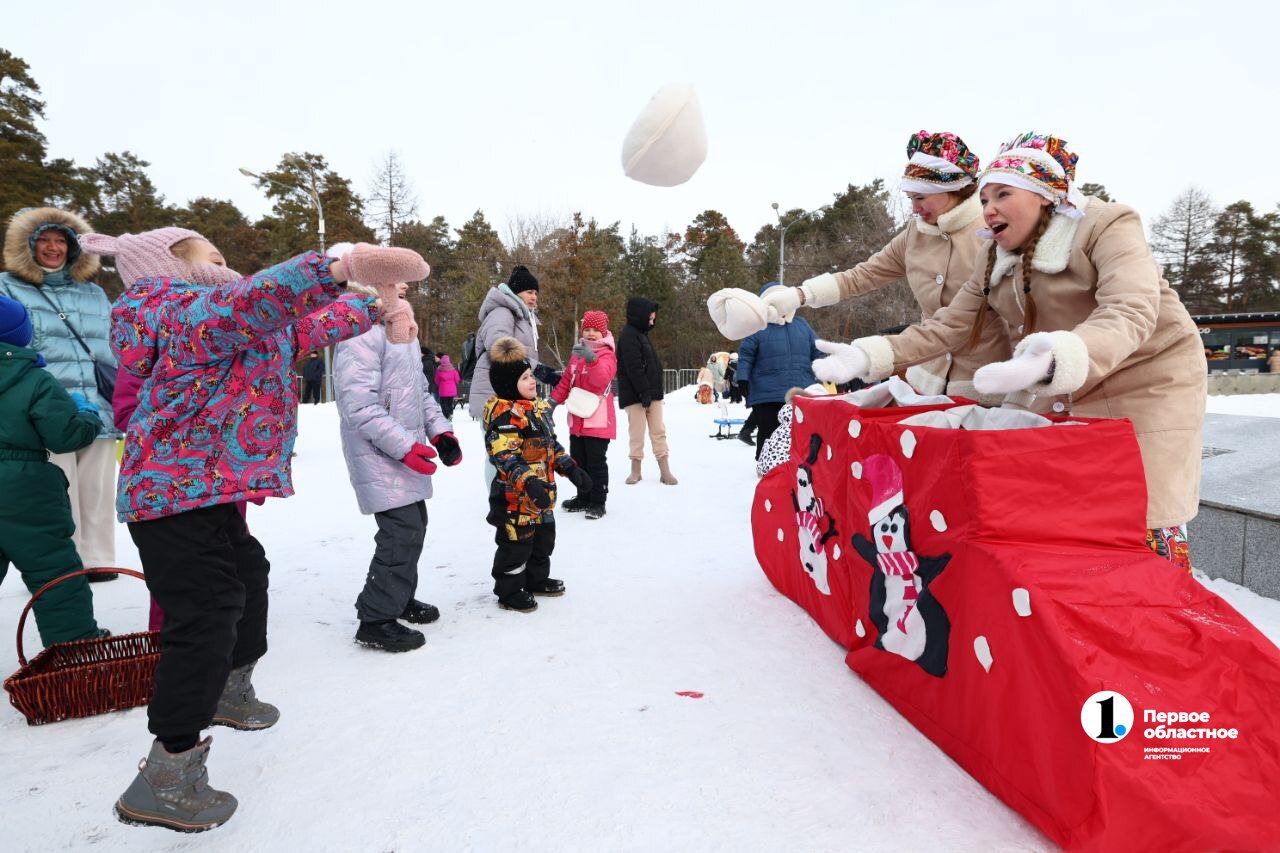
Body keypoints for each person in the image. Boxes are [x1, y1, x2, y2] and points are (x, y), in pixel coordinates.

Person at [87, 226, 427, 832]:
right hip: (167, 493)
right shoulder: (170, 310)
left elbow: (297, 329)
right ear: (164, 265)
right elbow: (252, 304)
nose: (225, 265)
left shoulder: (223, 317)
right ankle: (166, 771)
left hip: (203, 488)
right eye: (210, 257)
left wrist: (371, 304)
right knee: (207, 610)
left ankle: (229, 688)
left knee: (250, 575)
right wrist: (336, 266)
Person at [811, 132, 1207, 569]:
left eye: (1003, 194)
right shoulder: (993, 252)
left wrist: (1060, 356)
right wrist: (873, 355)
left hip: (1147, 375)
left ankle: (1165, 605)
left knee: (1140, 508)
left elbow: (1130, 309)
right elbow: (949, 325)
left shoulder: (1107, 224)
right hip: (1057, 371)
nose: (989, 208)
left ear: (1045, 195)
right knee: (1068, 506)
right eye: (983, 198)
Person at [761, 131, 1010, 402]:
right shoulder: (914, 235)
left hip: (984, 385)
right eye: (910, 199)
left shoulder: (994, 233)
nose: (915, 209)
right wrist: (799, 295)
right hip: (926, 382)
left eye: (921, 198)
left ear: (951, 188)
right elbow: (863, 275)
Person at [335, 281, 462, 653]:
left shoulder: (401, 334)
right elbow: (358, 407)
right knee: (401, 532)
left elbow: (420, 393)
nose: (405, 296)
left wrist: (441, 433)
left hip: (406, 452)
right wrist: (405, 446)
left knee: (415, 525)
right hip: (378, 451)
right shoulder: (359, 335)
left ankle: (399, 598)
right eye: (397, 290)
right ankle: (375, 619)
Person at [1, 207, 123, 583]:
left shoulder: (94, 292)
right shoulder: (8, 287)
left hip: (97, 403)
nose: (53, 247)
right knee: (57, 488)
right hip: (42, 403)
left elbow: (112, 346)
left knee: (98, 486)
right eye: (44, 240)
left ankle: (98, 559)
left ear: (74, 249)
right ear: (28, 245)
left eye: (61, 241)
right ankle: (63, 563)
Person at [0, 295, 107, 645]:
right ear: (20, 335)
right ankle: (75, 651)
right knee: (53, 571)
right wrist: (87, 414)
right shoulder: (35, 381)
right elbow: (66, 436)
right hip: (25, 489)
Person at [482, 337, 591, 612]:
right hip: (515, 499)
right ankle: (509, 590)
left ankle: (536, 579)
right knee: (516, 545)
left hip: (543, 494)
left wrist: (570, 467)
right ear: (509, 384)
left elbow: (550, 446)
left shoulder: (538, 411)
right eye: (525, 378)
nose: (532, 381)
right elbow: (505, 457)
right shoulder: (504, 418)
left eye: (531, 375)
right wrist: (528, 482)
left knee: (543, 539)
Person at [736, 282, 823, 460]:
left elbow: (817, 351)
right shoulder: (757, 326)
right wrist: (742, 378)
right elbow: (746, 354)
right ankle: (765, 467)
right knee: (768, 432)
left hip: (800, 391)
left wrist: (830, 370)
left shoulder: (802, 325)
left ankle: (799, 467)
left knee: (801, 432)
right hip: (768, 393)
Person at [467, 265, 559, 422]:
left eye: (536, 293)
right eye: (529, 292)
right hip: (495, 395)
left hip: (511, 394)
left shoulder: (523, 318)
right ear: (516, 292)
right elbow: (500, 346)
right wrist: (538, 369)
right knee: (503, 445)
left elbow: (523, 354)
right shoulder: (502, 312)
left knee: (517, 445)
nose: (534, 297)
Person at [550, 310, 617, 519]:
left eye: (595, 330)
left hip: (597, 421)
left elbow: (601, 379)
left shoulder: (607, 354)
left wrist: (592, 359)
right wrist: (552, 401)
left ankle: (598, 501)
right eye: (587, 329)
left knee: (596, 463)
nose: (590, 333)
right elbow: (566, 383)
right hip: (578, 419)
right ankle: (583, 496)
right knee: (579, 461)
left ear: (603, 332)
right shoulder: (576, 354)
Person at [616, 296, 676, 485]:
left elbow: (650, 366)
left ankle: (665, 469)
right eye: (650, 318)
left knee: (659, 431)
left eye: (653, 319)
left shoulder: (643, 335)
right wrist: (643, 392)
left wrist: (653, 392)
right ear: (640, 316)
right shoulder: (628, 337)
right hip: (636, 396)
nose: (652, 322)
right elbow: (634, 368)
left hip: (653, 394)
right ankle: (636, 470)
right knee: (637, 432)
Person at [433, 353, 460, 420]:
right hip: (452, 390)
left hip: (443, 390)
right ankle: (450, 414)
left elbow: (436, 380)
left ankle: (446, 415)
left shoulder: (439, 370)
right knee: (450, 403)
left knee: (443, 403)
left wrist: (441, 384)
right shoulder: (453, 370)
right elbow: (457, 379)